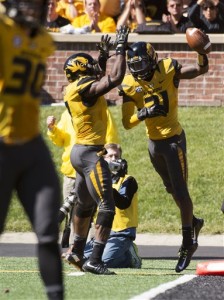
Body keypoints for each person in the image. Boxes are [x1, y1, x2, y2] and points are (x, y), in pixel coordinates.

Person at [119, 41, 207, 273]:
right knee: (172, 192)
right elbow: (127, 123)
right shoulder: (130, 84)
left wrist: (201, 53)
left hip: (174, 140)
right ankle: (194, 223)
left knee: (181, 192)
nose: (138, 70)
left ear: (152, 59)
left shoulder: (167, 68)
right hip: (153, 145)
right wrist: (144, 113)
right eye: (134, 65)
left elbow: (200, 70)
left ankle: (188, 242)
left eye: (142, 64)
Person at [0, 1, 64, 299]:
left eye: (38, 3)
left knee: (49, 232)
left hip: (32, 145)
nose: (33, 9)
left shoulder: (41, 39)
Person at [62, 26, 130, 275]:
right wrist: (120, 49)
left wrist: (101, 59)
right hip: (90, 154)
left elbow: (99, 79)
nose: (93, 67)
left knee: (84, 205)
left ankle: (77, 252)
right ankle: (95, 259)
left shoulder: (73, 88)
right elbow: (113, 79)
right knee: (107, 206)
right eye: (89, 65)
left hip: (78, 152)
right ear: (81, 71)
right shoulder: (85, 89)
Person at [84, 143, 141, 268]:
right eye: (110, 156)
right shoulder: (97, 180)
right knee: (82, 259)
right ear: (103, 159)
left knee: (104, 262)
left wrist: (108, 187)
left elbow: (123, 203)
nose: (114, 159)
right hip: (102, 231)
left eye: (117, 156)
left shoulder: (128, 180)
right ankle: (119, 252)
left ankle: (129, 256)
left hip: (121, 232)